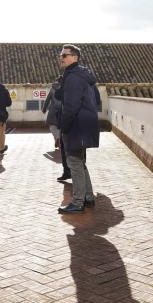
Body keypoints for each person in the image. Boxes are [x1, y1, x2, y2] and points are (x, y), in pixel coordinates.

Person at [56, 44, 101, 214]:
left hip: (76, 124)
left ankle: (78, 202)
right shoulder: (78, 75)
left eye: (65, 55)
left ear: (74, 57)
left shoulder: (74, 77)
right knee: (79, 162)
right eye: (61, 55)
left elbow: (71, 106)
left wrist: (64, 126)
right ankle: (88, 197)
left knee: (74, 162)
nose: (61, 58)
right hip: (84, 124)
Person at [42, 77, 70, 181]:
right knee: (61, 128)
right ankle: (59, 138)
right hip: (63, 112)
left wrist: (44, 109)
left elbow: (47, 99)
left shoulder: (53, 88)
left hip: (53, 112)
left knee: (52, 126)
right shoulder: (66, 88)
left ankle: (57, 137)